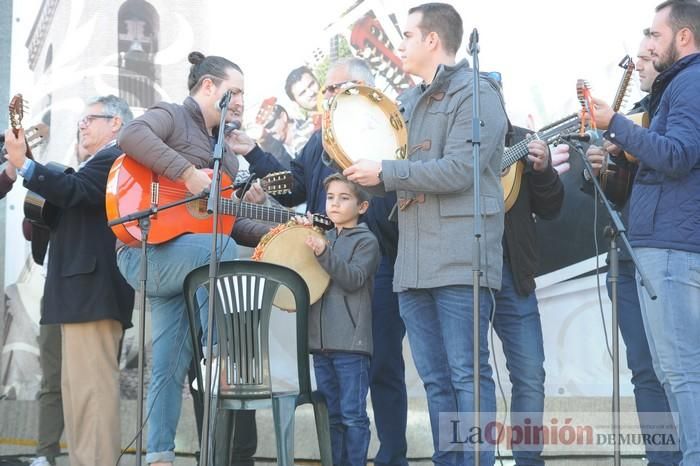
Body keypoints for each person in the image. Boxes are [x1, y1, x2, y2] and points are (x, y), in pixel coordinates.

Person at [344, 3, 509, 465]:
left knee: (466, 375)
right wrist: (361, 171)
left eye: (408, 35)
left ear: (432, 40)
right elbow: (398, 173)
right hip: (412, 262)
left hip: (459, 257)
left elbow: (460, 169)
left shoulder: (478, 93)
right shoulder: (409, 101)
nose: (399, 44)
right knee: (436, 379)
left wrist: (389, 171)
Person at [229, 57, 410, 466]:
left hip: (374, 264)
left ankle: (392, 456)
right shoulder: (317, 141)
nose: (326, 96)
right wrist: (255, 154)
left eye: (335, 88)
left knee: (382, 365)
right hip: (320, 267)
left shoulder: (384, 135)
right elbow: (293, 188)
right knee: (330, 373)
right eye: (325, 90)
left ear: (364, 90)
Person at [116, 51, 269, 466]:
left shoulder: (229, 155)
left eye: (242, 94)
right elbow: (132, 135)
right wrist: (187, 174)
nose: (240, 101)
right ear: (207, 87)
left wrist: (280, 226)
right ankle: (219, 353)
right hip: (142, 250)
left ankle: (159, 454)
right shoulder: (172, 115)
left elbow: (225, 224)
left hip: (188, 261)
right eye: (233, 91)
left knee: (167, 364)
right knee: (219, 254)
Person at [591, 0, 700, 462]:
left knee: (681, 372)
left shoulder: (691, 81)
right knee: (669, 371)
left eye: (654, 35)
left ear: (684, 37)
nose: (648, 45)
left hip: (672, 246)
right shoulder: (677, 86)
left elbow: (678, 155)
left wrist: (614, 123)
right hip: (659, 243)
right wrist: (621, 152)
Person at [4, 94, 135, 466]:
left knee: (92, 395)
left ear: (115, 124)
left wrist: (26, 165)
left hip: (92, 293)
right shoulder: (94, 163)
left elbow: (75, 191)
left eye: (89, 119)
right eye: (80, 119)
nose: (82, 125)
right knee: (77, 396)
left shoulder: (115, 157)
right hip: (78, 293)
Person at [493, 129, 564, 466]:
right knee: (465, 374)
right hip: (462, 274)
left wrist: (544, 170)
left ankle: (527, 460)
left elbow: (551, 208)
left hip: (512, 272)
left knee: (530, 373)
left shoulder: (522, 138)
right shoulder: (452, 133)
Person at [299, 173, 380, 466]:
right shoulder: (323, 237)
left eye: (344, 198)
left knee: (352, 415)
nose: (334, 204)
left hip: (351, 345)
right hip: (321, 345)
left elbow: (353, 279)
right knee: (331, 415)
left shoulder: (367, 241)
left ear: (362, 207)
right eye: (330, 197)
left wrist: (323, 251)